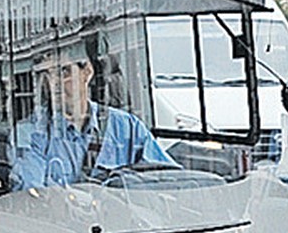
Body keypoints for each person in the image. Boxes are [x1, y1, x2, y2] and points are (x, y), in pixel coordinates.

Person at [12, 38, 176, 189]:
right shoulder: (31, 134)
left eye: (64, 72)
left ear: (87, 72)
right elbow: (33, 196)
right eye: (47, 74)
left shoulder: (127, 127)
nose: (54, 82)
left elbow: (166, 177)